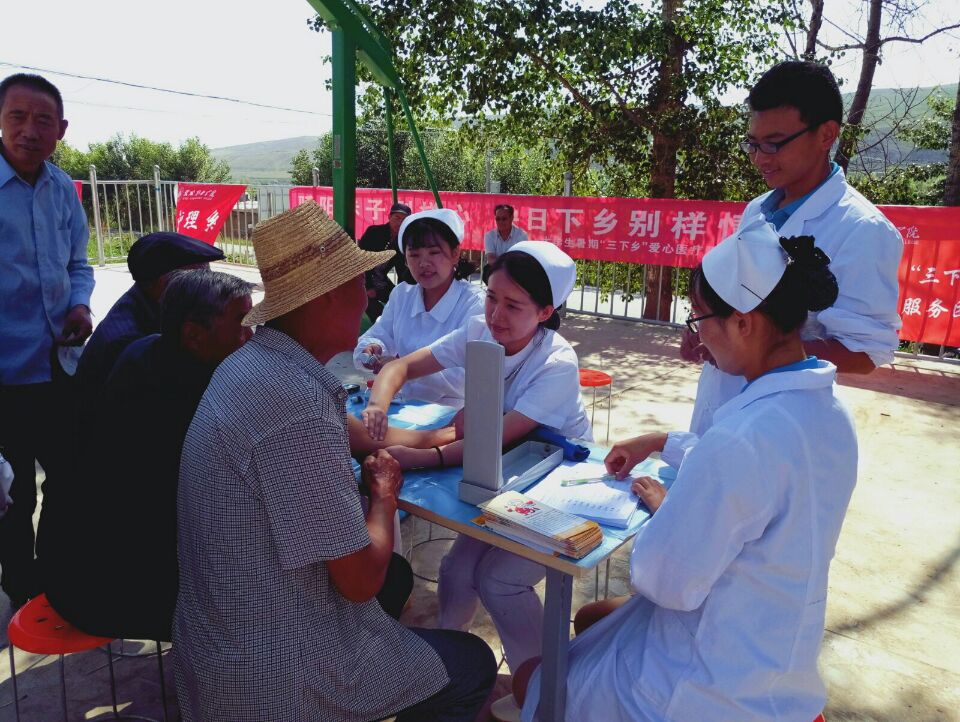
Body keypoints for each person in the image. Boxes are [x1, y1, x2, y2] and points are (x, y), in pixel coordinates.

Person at [519, 219, 858, 722]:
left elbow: (664, 581)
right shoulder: (830, 414)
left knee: (539, 681)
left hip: (702, 682)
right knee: (591, 624)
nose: (697, 338)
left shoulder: (742, 439)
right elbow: (753, 477)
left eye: (699, 319)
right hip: (777, 652)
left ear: (744, 322)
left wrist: (668, 511)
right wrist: (662, 443)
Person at [174, 201, 496, 722]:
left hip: (223, 631)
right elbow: (359, 580)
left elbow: (359, 432)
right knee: (471, 661)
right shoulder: (296, 405)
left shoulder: (257, 364)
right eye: (359, 284)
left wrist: (439, 438)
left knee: (396, 579)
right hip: (272, 665)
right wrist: (384, 497)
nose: (367, 296)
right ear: (326, 297)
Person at [362, 240, 590, 674]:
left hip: (552, 480)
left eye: (513, 306)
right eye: (491, 298)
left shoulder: (557, 363)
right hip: (500, 470)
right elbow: (400, 367)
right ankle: (449, 668)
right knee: (455, 571)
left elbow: (493, 438)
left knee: (499, 580)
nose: (496, 315)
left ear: (545, 312)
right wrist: (377, 406)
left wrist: (416, 456)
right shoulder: (479, 331)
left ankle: (537, 688)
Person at [678, 59, 902, 444]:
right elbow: (737, 306)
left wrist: (759, 351)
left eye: (775, 143)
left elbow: (866, 353)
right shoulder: (757, 210)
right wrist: (710, 332)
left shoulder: (862, 230)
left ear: (826, 134)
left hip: (779, 421)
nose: (760, 157)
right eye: (753, 143)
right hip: (724, 408)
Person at [41, 269, 253, 642]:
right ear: (193, 335)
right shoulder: (187, 396)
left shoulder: (149, 349)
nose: (250, 337)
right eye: (241, 325)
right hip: (107, 593)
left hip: (72, 572)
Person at [0, 73, 94, 610]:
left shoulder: (62, 190)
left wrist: (80, 304)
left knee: (68, 476)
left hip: (60, 364)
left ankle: (59, 574)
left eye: (43, 121)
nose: (29, 131)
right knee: (11, 489)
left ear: (61, 129)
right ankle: (21, 586)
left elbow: (79, 264)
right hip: (5, 372)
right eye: (17, 117)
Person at [353, 208, 484, 407]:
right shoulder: (402, 295)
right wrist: (372, 349)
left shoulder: (475, 303)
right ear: (405, 259)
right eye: (414, 255)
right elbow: (378, 335)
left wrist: (402, 368)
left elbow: (468, 376)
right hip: (402, 408)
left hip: (455, 413)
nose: (424, 263)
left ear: (455, 253)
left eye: (434, 252)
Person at [75, 231, 225, 396]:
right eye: (200, 281)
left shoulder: (151, 302)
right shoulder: (129, 341)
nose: (208, 291)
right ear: (164, 284)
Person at [358, 201, 414, 321]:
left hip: (381, 281)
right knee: (373, 307)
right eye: (397, 217)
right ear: (389, 217)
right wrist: (368, 286)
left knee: (400, 300)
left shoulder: (403, 240)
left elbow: (401, 269)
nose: (399, 223)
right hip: (362, 280)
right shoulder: (374, 232)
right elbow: (361, 260)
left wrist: (403, 291)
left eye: (404, 220)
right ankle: (382, 326)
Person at [483, 203, 528, 282]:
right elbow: (490, 258)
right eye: (498, 219)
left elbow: (520, 260)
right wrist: (503, 268)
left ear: (511, 218)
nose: (500, 222)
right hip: (497, 269)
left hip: (514, 270)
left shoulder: (521, 235)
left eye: (504, 219)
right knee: (487, 270)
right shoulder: (489, 235)